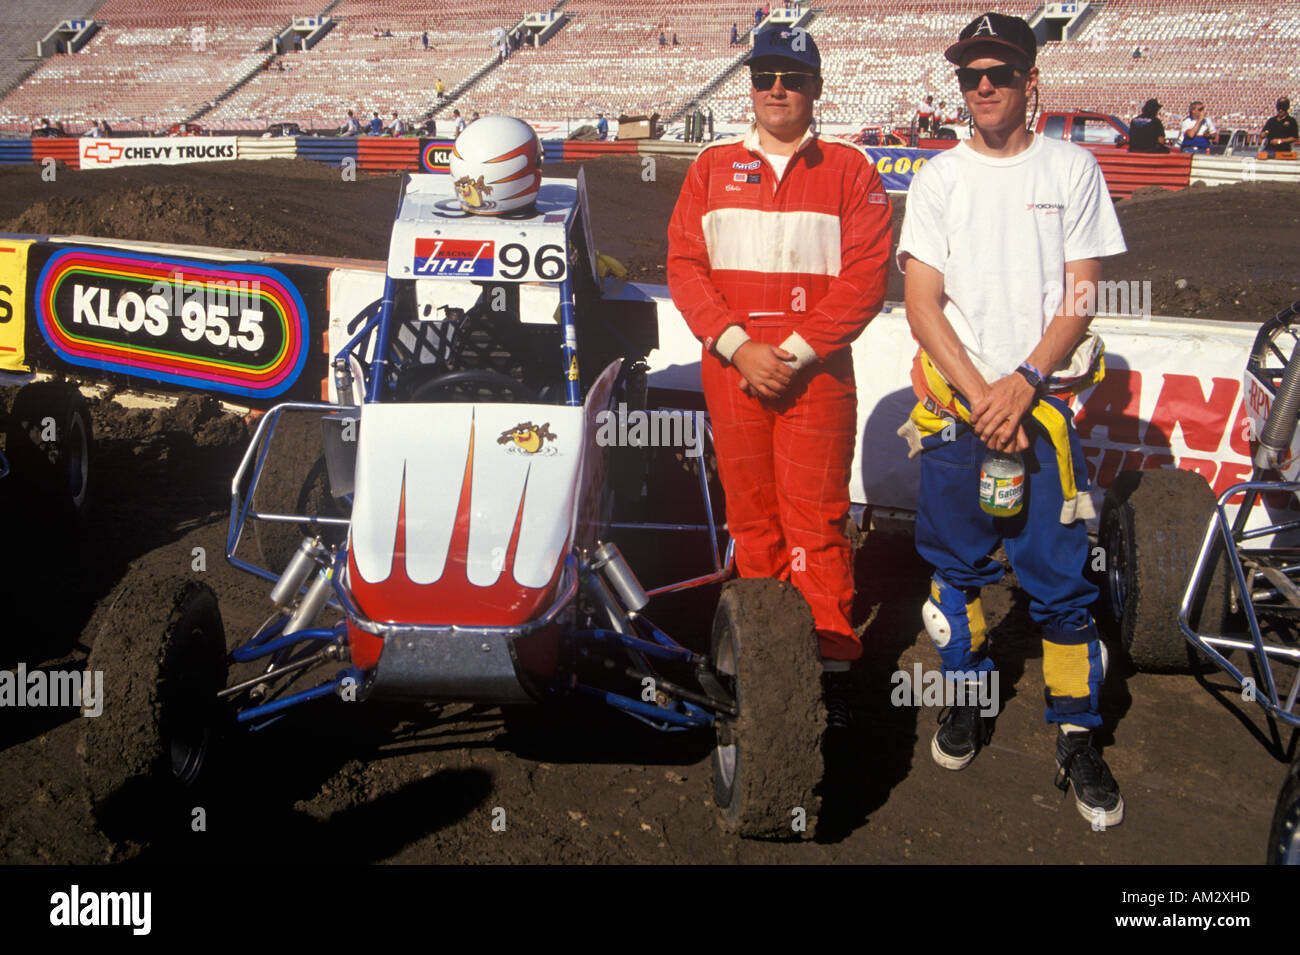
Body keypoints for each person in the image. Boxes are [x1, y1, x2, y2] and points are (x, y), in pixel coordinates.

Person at [895, 12, 1128, 829]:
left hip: (1044, 413)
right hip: (963, 416)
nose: (982, 85)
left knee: (1062, 593)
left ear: (1033, 82)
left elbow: (1083, 294)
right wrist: (984, 394)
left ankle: (1076, 730)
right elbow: (921, 303)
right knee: (956, 577)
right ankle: (963, 698)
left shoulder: (1073, 168)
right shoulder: (937, 178)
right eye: (969, 74)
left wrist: (1025, 383)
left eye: (998, 72)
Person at [666, 26, 894, 733]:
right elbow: (684, 267)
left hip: (814, 379)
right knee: (752, 522)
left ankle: (828, 669)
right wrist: (739, 348)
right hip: (734, 372)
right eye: (764, 76)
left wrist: (788, 354)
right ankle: (761, 663)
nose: (775, 90)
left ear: (816, 88)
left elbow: (864, 282)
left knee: (818, 523)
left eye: (791, 78)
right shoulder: (709, 166)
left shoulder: (853, 171)